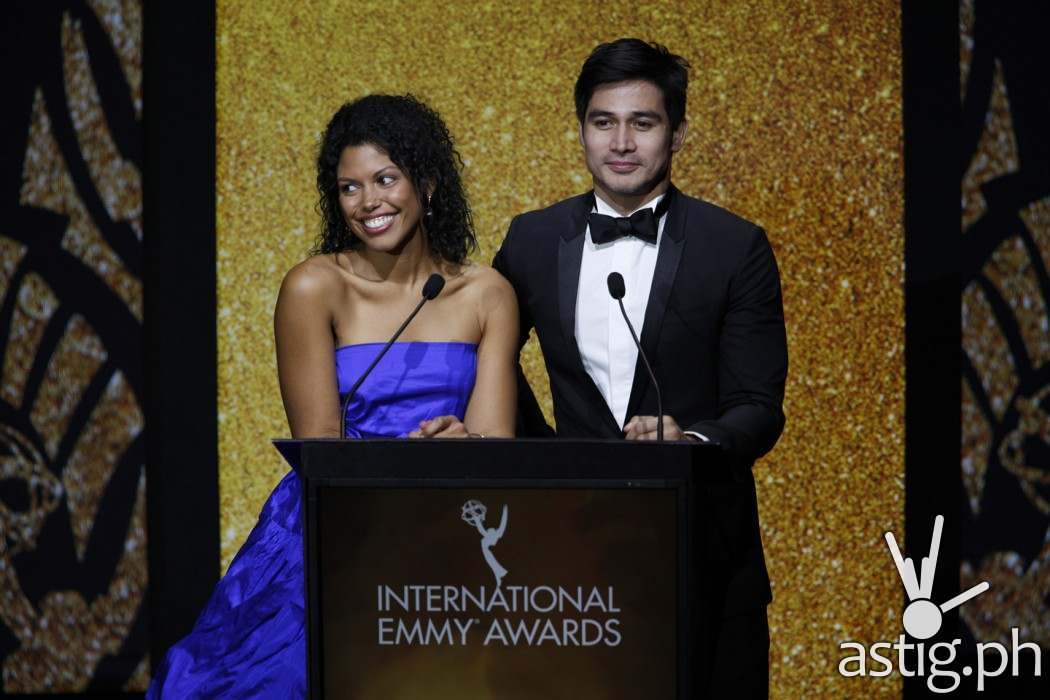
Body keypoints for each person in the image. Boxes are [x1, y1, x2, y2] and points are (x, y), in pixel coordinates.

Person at [148, 94, 517, 698]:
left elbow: (496, 446)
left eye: (385, 180)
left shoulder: (486, 293)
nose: (368, 202)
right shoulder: (313, 287)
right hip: (333, 527)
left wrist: (462, 442)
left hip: (450, 527)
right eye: (349, 187)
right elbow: (319, 445)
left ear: (427, 183)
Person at [491, 39, 788, 695]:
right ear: (581, 131)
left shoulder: (734, 246)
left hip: (704, 555)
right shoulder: (530, 240)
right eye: (604, 122)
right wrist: (543, 453)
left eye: (643, 123)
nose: (621, 142)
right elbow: (486, 356)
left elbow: (759, 407)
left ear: (677, 134)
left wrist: (692, 441)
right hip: (566, 558)